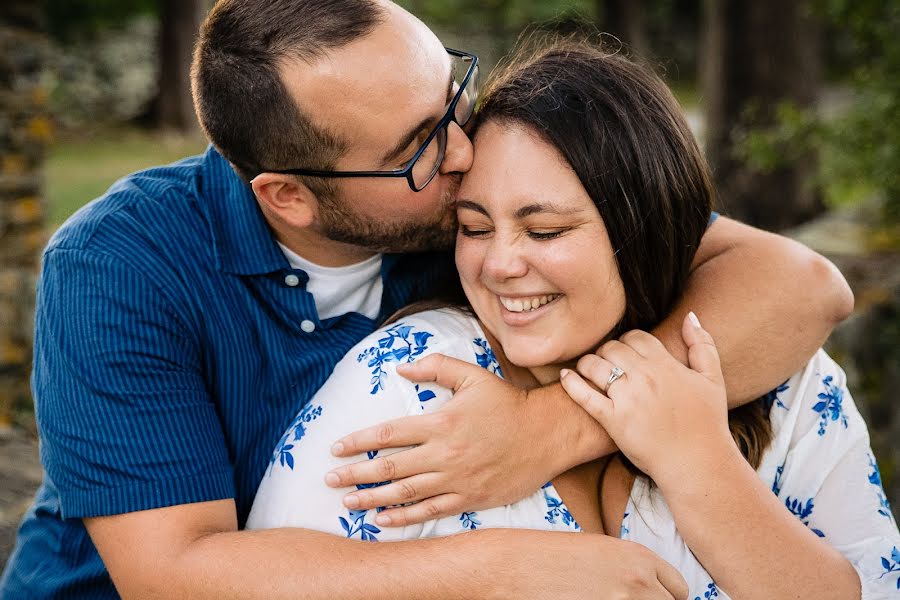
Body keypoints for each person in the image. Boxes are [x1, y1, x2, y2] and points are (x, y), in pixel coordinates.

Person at [0, 1, 855, 598]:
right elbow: (173, 577)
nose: (460, 148)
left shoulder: (474, 206)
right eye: (415, 146)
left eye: (450, 91)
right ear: (289, 197)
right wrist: (501, 573)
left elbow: (799, 281)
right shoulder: (120, 269)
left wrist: (550, 429)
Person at [247, 41, 900, 599]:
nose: (500, 264)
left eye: (546, 229)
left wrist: (698, 462)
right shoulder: (408, 388)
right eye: (474, 227)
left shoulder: (780, 373)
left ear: (642, 229)